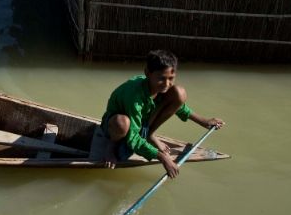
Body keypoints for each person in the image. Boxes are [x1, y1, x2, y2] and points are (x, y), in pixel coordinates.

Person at [94, 49, 225, 178]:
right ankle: (111, 146)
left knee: (179, 93)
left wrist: (204, 121)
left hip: (143, 122)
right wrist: (162, 157)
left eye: (171, 78)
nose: (166, 84)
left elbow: (179, 106)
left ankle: (149, 134)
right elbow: (132, 137)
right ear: (147, 73)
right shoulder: (134, 96)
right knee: (122, 123)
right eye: (161, 79)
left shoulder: (160, 88)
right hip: (115, 126)